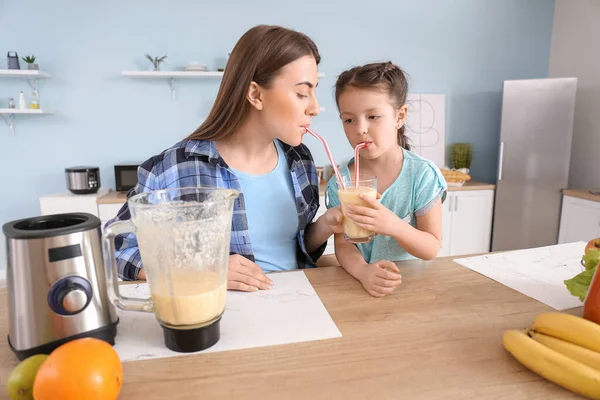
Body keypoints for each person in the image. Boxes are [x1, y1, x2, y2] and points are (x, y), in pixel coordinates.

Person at [106, 25, 343, 291]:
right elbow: (115, 250)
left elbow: (296, 250)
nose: (314, 107)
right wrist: (203, 269)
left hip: (305, 303)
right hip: (224, 316)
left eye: (314, 92)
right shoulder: (174, 167)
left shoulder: (300, 160)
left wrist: (327, 224)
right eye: (302, 93)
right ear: (255, 94)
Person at [325, 61, 447, 298]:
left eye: (373, 116)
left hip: (413, 289)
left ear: (399, 116)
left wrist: (392, 225)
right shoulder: (340, 182)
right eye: (349, 120)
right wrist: (363, 272)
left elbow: (431, 247)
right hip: (362, 287)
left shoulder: (421, 175)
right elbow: (344, 244)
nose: (360, 129)